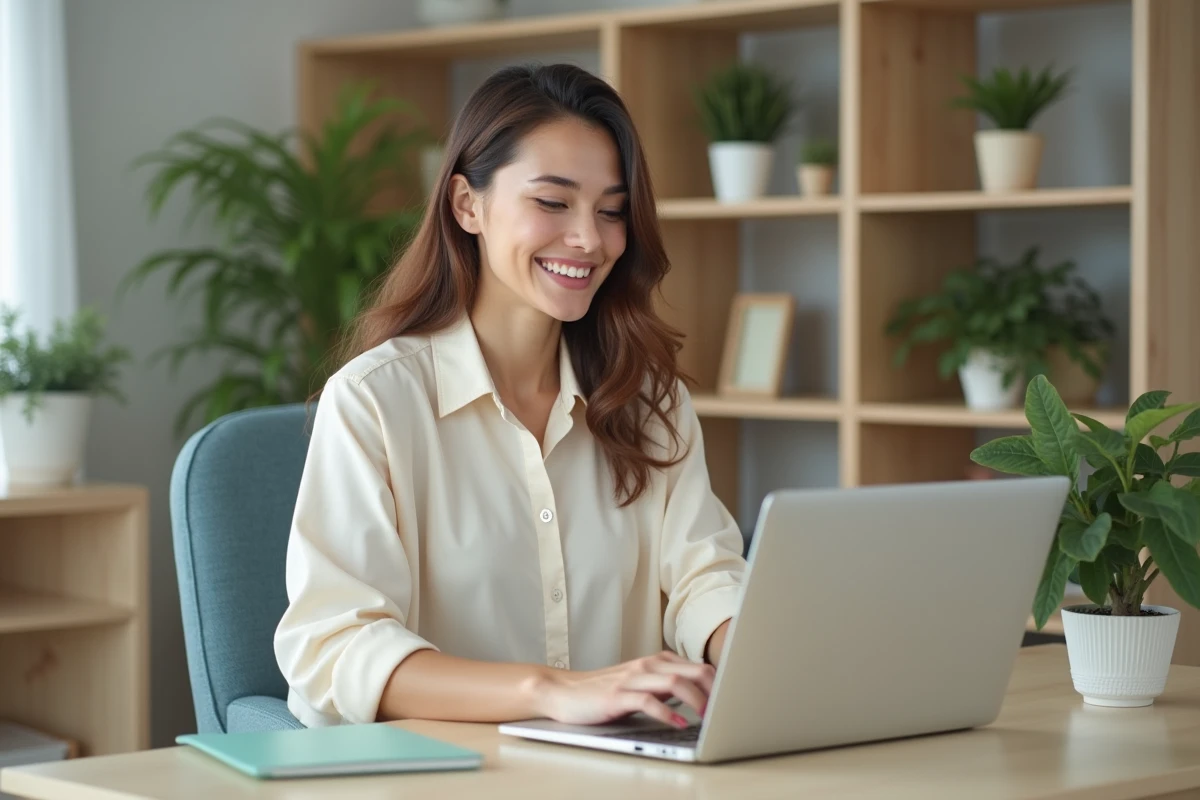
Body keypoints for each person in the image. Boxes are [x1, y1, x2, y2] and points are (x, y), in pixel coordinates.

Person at [274, 63, 748, 732]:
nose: (589, 238)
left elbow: (703, 576)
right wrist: (552, 691)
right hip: (439, 776)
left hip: (613, 773)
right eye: (552, 202)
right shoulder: (374, 402)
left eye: (611, 211)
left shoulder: (648, 399)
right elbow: (337, 646)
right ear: (468, 204)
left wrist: (758, 653)